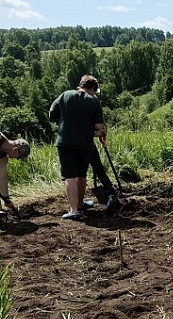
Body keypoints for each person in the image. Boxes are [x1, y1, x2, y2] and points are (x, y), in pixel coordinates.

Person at [49, 74, 105, 220]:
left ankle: (74, 210)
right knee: (81, 174)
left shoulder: (65, 95)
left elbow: (52, 114)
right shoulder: (94, 101)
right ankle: (79, 204)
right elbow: (99, 127)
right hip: (85, 144)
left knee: (69, 175)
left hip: (65, 142)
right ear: (92, 88)